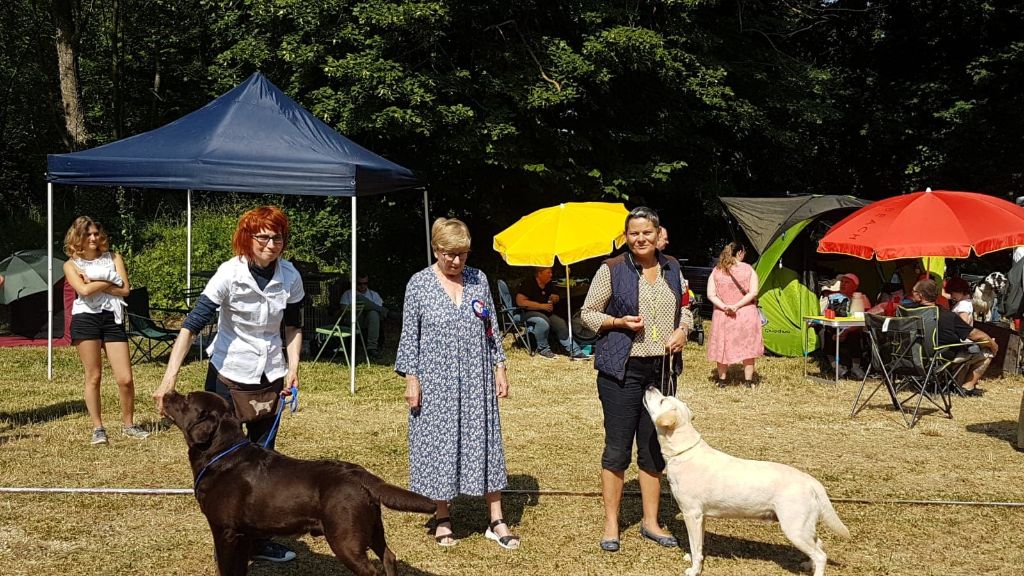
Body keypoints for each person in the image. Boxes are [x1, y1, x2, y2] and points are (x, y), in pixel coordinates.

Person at [153, 205, 304, 564]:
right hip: (228, 372)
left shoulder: (291, 276)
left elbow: (294, 326)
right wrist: (168, 378)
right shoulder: (229, 273)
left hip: (270, 373)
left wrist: (294, 367)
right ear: (247, 239)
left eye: (277, 237)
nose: (270, 244)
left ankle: (258, 536)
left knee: (262, 458)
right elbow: (191, 326)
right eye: (263, 236)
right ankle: (226, 529)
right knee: (222, 456)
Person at [395, 217, 520, 550]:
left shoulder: (478, 279)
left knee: (486, 440)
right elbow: (410, 337)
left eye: (461, 254)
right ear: (436, 249)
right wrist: (411, 378)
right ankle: (443, 515)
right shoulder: (418, 284)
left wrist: (500, 366)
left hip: (477, 376)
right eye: (449, 254)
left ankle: (496, 518)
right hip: (435, 379)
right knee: (439, 444)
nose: (455, 261)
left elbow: (491, 327)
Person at [580, 206, 691, 553]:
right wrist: (618, 322)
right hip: (621, 370)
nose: (640, 239)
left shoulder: (673, 268)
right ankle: (611, 523)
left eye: (647, 233)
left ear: (658, 235)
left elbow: (687, 307)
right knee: (617, 448)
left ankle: (651, 522)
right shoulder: (611, 269)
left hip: (660, 369)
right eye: (633, 233)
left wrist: (683, 330)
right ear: (626, 237)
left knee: (653, 448)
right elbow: (586, 314)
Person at [62, 216, 149, 445]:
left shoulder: (113, 257)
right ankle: (98, 428)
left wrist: (96, 280)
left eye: (96, 234)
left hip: (113, 318)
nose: (93, 238)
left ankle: (129, 424)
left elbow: (126, 290)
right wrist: (110, 280)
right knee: (94, 376)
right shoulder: (71, 265)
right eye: (88, 234)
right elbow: (83, 290)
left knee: (125, 378)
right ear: (78, 237)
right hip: (85, 319)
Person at [906, 279, 996, 396]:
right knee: (986, 352)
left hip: (909, 356)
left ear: (920, 295)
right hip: (938, 358)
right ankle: (967, 386)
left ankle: (952, 383)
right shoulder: (948, 316)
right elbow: (975, 335)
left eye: (913, 291)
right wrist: (993, 345)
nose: (911, 293)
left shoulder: (907, 311)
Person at [705, 242, 764, 386]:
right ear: (739, 253)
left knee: (722, 346)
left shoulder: (717, 270)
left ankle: (722, 380)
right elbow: (753, 292)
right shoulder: (748, 269)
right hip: (746, 313)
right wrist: (737, 306)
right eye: (744, 252)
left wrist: (725, 306)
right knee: (748, 347)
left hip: (722, 314)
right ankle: (748, 381)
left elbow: (710, 294)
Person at [515, 266, 586, 359]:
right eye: (548, 272)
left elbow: (554, 296)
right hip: (525, 313)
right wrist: (541, 306)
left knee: (560, 323)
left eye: (551, 272)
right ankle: (543, 350)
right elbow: (520, 302)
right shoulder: (528, 283)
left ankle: (575, 351)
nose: (551, 275)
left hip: (545, 312)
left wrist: (555, 298)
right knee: (542, 322)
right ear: (539, 274)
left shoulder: (548, 284)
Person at [821, 273, 872, 379]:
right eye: (842, 282)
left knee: (856, 334)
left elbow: (864, 320)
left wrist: (846, 331)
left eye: (847, 282)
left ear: (855, 286)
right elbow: (826, 315)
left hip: (853, 330)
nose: (843, 284)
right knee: (825, 332)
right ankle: (836, 367)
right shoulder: (835, 298)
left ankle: (856, 368)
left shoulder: (861, 298)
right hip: (837, 329)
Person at [340, 274, 391, 360]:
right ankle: (387, 312)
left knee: (374, 313)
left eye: (365, 283)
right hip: (353, 320)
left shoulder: (374, 294)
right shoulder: (348, 294)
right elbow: (343, 309)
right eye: (359, 283)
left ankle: (372, 347)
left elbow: (379, 315)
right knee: (359, 298)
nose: (362, 286)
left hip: (368, 322)